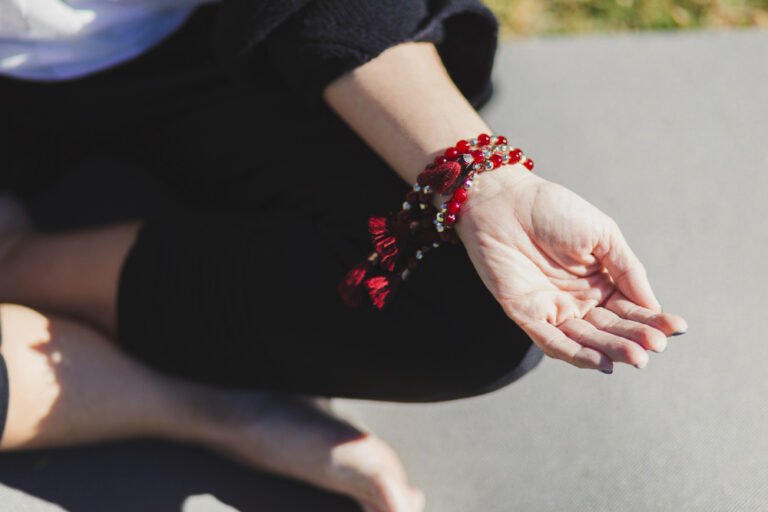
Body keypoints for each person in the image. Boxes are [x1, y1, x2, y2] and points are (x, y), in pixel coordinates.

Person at [0, 2, 688, 511]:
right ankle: (200, 401)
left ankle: (24, 269)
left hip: (212, 38)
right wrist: (218, 413)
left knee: (471, 303)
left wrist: (482, 185)